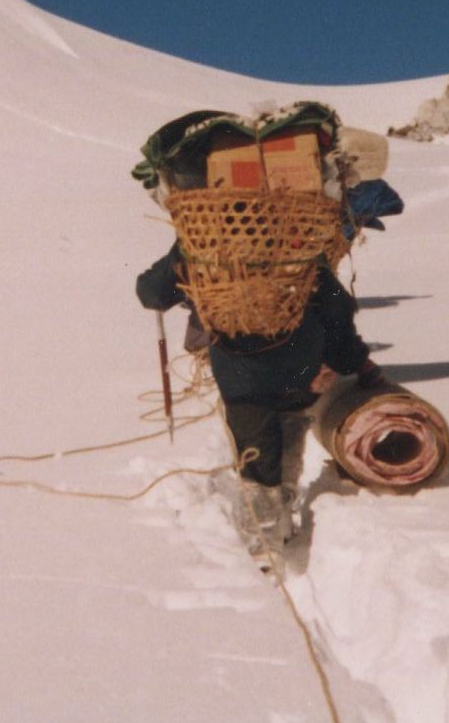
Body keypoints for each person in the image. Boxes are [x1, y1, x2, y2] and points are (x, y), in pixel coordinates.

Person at [131, 105, 390, 548]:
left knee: (255, 461)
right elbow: (336, 308)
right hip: (301, 367)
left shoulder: (203, 242)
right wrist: (356, 363)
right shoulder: (297, 236)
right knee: (289, 434)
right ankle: (285, 512)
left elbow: (151, 292)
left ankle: (264, 547)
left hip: (240, 371)